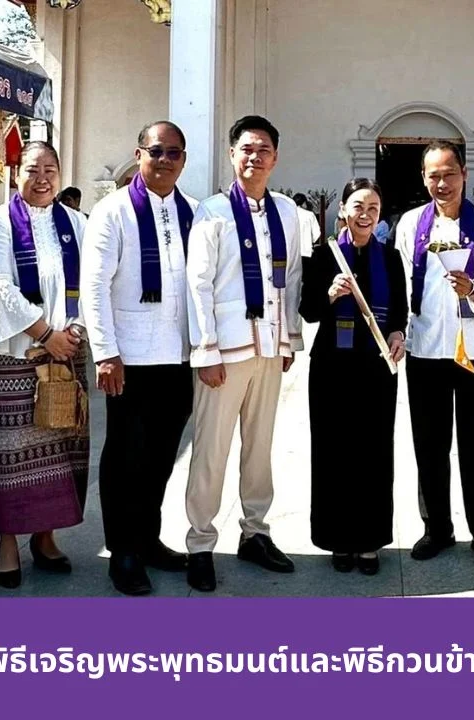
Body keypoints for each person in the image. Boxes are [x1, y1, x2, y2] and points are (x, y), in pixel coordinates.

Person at [183, 115, 313, 592]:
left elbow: (293, 277)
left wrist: (290, 339)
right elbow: (197, 282)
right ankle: (200, 541)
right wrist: (206, 350)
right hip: (226, 347)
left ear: (275, 158)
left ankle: (255, 532)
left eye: (263, 149)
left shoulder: (287, 212)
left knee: (260, 448)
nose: (254, 157)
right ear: (232, 155)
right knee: (212, 449)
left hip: (270, 344)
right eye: (246, 149)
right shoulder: (213, 211)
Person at [81, 120, 199, 596]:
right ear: (139, 153)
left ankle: (148, 539)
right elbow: (93, 286)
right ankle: (123, 550)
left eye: (174, 153)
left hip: (178, 355)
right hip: (128, 357)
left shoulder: (191, 211)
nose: (165, 160)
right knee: (126, 456)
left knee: (162, 457)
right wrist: (105, 353)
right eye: (157, 151)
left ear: (183, 159)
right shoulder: (112, 211)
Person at [0, 141, 90, 589]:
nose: (42, 177)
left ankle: (46, 536)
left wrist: (74, 331)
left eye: (50, 168)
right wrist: (46, 333)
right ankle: (8, 544)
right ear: (15, 173)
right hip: (17, 356)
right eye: (31, 168)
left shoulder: (77, 223)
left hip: (66, 354)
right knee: (11, 455)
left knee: (61, 448)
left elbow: (92, 284)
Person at [397, 141, 474, 569]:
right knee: (429, 443)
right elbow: (400, 280)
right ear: (424, 179)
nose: (441, 183)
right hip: (425, 349)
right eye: (433, 176)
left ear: (464, 173)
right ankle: (437, 527)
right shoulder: (410, 224)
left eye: (449, 174)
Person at [300, 178, 407, 575]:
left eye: (374, 208)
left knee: (375, 453)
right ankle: (337, 541)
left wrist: (398, 334)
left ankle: (370, 541)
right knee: (333, 452)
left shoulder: (390, 257)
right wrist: (329, 294)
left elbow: (399, 311)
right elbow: (308, 310)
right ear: (343, 209)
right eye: (358, 206)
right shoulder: (322, 255)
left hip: (377, 367)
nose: (365, 214)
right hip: (332, 366)